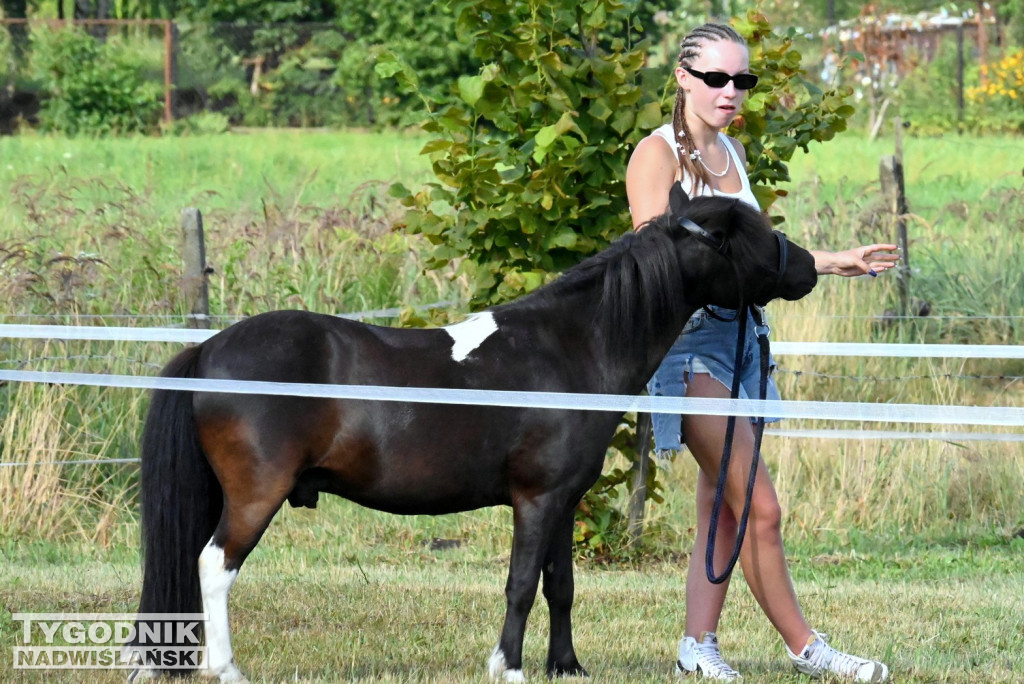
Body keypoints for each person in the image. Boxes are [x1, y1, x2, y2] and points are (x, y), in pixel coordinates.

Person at [625, 23, 900, 682]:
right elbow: (651, 257)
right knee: (760, 508)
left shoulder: (734, 152)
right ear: (684, 78)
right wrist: (725, 273)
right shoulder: (656, 154)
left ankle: (698, 645)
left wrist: (835, 262)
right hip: (689, 347)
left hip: (745, 339)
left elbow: (760, 253)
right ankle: (808, 647)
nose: (730, 92)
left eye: (740, 80)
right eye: (716, 78)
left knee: (723, 504)